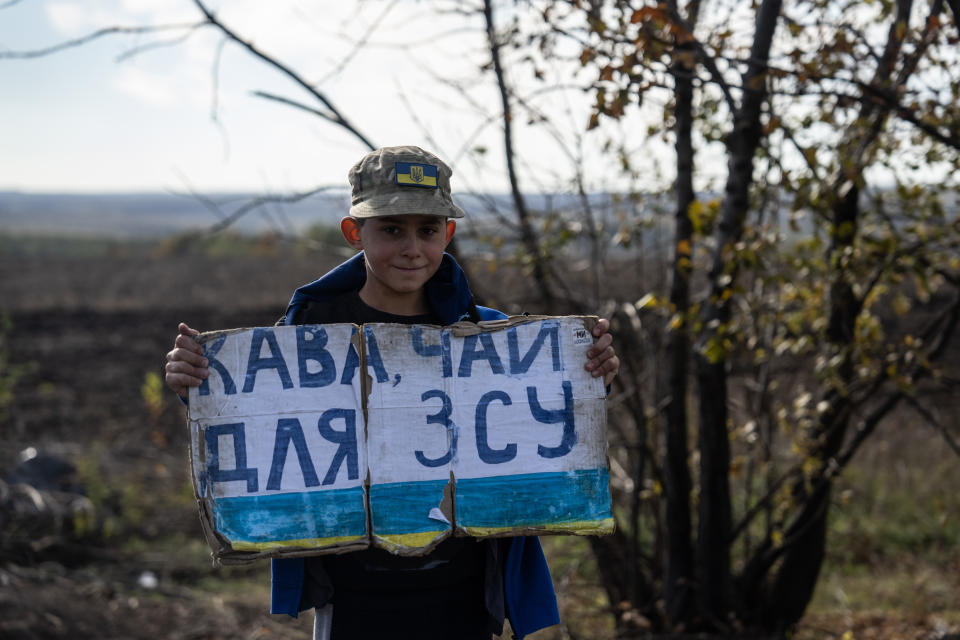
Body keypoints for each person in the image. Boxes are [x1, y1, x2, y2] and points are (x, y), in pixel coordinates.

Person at [164, 146, 620, 639]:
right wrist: (199, 385)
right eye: (391, 229)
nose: (412, 248)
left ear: (447, 233)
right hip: (353, 597)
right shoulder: (306, 338)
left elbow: (541, 420)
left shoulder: (484, 336)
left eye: (427, 230)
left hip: (465, 593)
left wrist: (586, 378)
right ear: (354, 232)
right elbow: (257, 425)